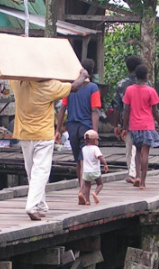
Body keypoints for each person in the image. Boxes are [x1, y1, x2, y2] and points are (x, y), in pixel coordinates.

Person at [10, 67, 90, 220]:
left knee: (32, 171)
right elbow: (75, 86)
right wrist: (83, 75)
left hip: (25, 134)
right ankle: (32, 205)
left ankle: (40, 205)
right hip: (43, 135)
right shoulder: (50, 86)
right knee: (41, 171)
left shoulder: (19, 83)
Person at [56, 57, 102, 184]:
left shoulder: (71, 88)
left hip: (72, 128)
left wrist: (58, 130)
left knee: (78, 160)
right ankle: (83, 189)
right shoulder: (93, 88)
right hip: (86, 127)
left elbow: (62, 108)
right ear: (91, 73)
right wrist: (94, 132)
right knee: (85, 160)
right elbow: (94, 110)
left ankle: (80, 187)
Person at [121, 64, 159, 189]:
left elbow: (127, 110)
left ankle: (137, 176)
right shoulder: (151, 91)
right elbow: (155, 111)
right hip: (147, 125)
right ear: (146, 76)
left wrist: (124, 127)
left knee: (137, 152)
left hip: (134, 125)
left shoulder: (129, 90)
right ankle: (143, 182)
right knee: (145, 153)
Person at [112, 55, 143, 184]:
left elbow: (117, 107)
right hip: (143, 120)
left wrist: (117, 125)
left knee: (130, 149)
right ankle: (138, 173)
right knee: (141, 148)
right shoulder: (147, 83)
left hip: (128, 120)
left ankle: (132, 173)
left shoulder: (121, 85)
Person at [78, 129, 108, 205]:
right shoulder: (95, 148)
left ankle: (87, 201)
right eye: (97, 140)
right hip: (95, 170)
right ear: (94, 140)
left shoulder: (83, 149)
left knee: (87, 186)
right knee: (100, 184)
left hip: (86, 171)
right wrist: (105, 164)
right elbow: (100, 157)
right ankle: (95, 193)